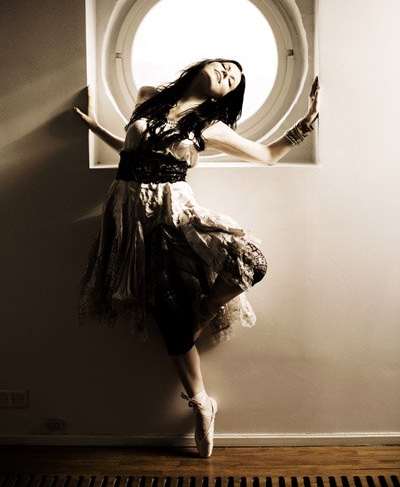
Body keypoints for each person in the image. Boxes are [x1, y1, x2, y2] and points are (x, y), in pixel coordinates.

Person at [74, 58, 320, 458]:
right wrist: (96, 128)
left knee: (251, 260)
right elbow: (132, 151)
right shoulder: (149, 96)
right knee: (171, 319)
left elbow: (267, 155)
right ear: (204, 64)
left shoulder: (210, 125)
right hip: (132, 219)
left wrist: (306, 123)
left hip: (175, 213)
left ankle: (206, 306)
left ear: (225, 96)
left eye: (234, 79)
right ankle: (202, 404)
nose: (228, 73)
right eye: (225, 65)